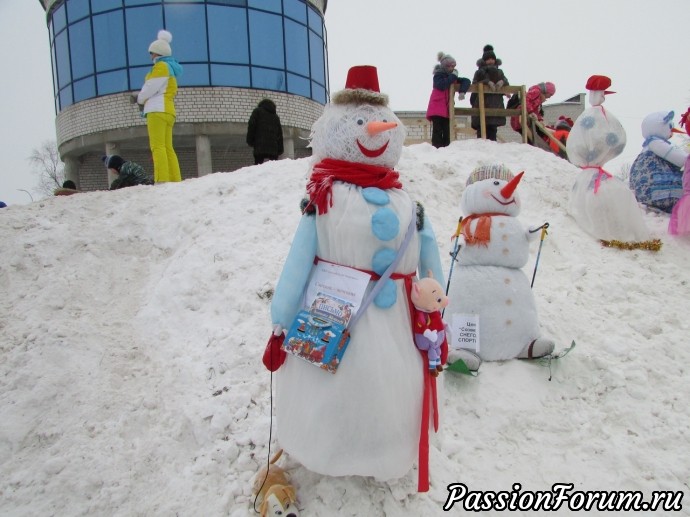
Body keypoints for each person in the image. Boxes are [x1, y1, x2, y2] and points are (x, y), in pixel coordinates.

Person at [136, 30, 183, 183]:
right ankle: (175, 179)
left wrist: (140, 99)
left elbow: (150, 87)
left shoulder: (161, 67)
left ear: (157, 53)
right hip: (168, 111)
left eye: (152, 53)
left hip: (157, 110)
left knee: (158, 147)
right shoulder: (172, 69)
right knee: (168, 147)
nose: (151, 57)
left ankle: (161, 179)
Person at [426, 51, 471, 148]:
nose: (451, 69)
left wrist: (462, 91)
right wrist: (453, 76)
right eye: (449, 66)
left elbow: (466, 81)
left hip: (446, 109)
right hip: (437, 108)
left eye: (453, 67)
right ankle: (437, 148)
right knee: (437, 130)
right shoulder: (438, 75)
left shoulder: (451, 78)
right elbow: (442, 85)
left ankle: (447, 148)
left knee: (447, 129)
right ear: (444, 66)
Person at [470, 44, 509, 141]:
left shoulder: (499, 72)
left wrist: (502, 82)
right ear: (484, 60)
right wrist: (487, 82)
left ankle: (492, 151)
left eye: (492, 58)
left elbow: (506, 81)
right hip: (482, 102)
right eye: (488, 59)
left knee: (492, 129)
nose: (490, 61)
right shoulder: (480, 72)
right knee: (482, 130)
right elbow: (474, 84)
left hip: (495, 104)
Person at [246, 98, 284, 165]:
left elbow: (251, 125)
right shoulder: (275, 117)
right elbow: (279, 134)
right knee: (273, 167)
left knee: (258, 166)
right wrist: (280, 149)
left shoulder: (257, 112)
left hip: (260, 145)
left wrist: (250, 140)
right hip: (273, 148)